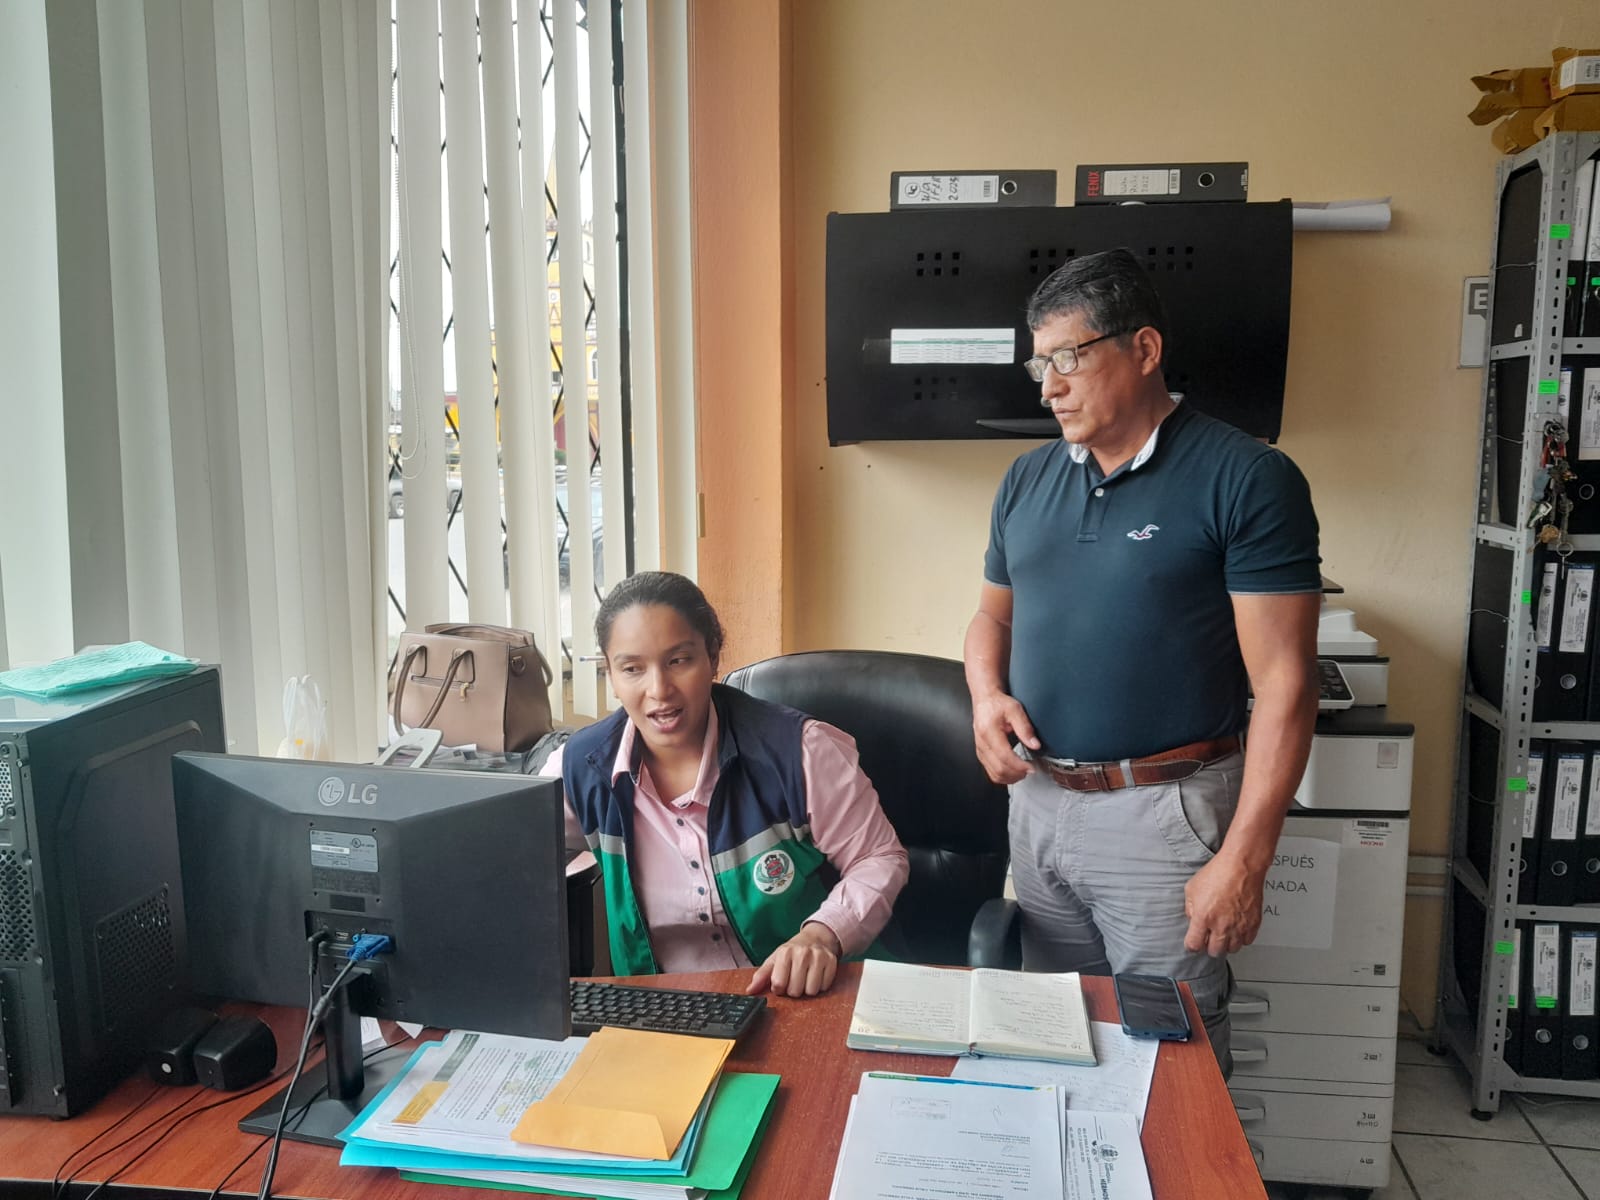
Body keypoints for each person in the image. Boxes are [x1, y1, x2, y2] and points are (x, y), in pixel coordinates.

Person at [963, 248, 1321, 1068]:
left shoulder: (1247, 477)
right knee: (1059, 1042)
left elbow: (1287, 686)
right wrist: (985, 696)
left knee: (1169, 1061)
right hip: (1040, 807)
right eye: (1039, 365)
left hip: (1163, 814)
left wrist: (1246, 858)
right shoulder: (1025, 481)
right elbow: (990, 618)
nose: (1048, 387)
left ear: (1145, 349)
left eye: (1068, 358)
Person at [542, 571, 909, 998]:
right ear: (611, 674)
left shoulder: (799, 751)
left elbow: (879, 857)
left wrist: (822, 935)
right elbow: (510, 858)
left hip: (809, 997)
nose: (659, 689)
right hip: (668, 1010)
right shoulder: (580, 770)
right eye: (632, 669)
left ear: (713, 657)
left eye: (679, 660)